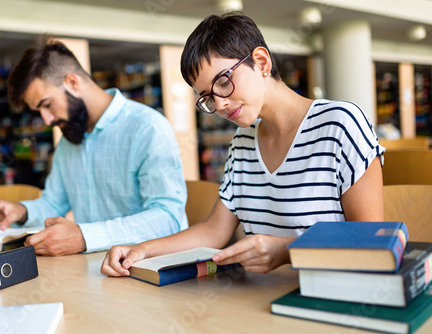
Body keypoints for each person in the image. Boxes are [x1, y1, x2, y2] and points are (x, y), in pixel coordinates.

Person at [101, 13, 385, 276]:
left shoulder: (341, 124)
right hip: (258, 301)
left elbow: (370, 238)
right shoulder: (243, 142)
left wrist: (287, 251)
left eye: (224, 82)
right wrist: (141, 249)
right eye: (208, 98)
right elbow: (214, 231)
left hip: (329, 296)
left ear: (261, 62)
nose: (220, 104)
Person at [0, 41, 188, 256]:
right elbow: (54, 203)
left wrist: (84, 237)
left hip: (150, 268)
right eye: (38, 111)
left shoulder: (148, 128)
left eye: (47, 104)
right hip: (95, 268)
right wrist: (22, 212)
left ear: (72, 82)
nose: (47, 119)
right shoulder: (68, 143)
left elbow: (167, 218)